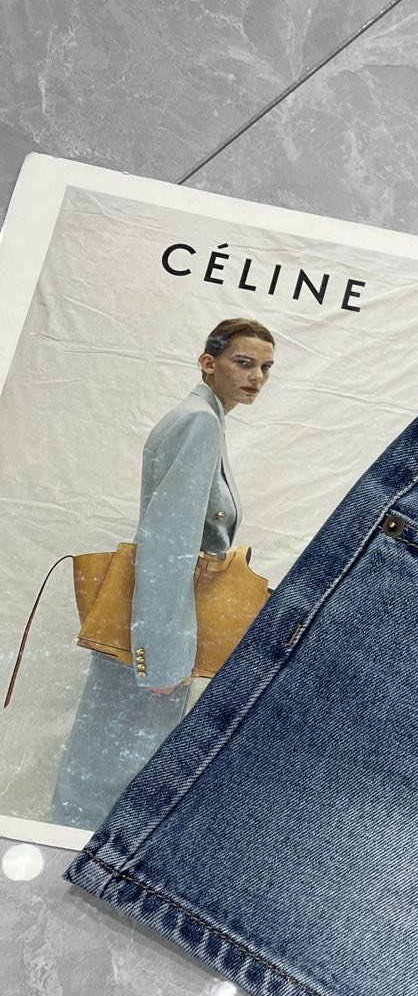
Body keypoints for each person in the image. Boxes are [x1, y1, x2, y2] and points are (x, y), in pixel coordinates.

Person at [48, 319, 275, 829]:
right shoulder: (199, 423)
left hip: (154, 621)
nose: (256, 376)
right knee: (114, 768)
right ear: (208, 363)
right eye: (244, 363)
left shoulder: (205, 418)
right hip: (155, 628)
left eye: (265, 367)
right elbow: (168, 542)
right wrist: (162, 658)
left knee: (108, 760)